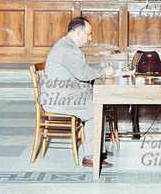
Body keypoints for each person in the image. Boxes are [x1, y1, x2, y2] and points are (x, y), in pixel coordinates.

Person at [43, 17, 115, 168]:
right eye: (88, 34)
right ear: (79, 32)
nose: (90, 38)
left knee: (97, 104)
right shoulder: (68, 49)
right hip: (59, 99)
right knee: (96, 109)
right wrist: (103, 71)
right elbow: (82, 73)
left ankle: (98, 147)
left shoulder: (66, 45)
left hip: (63, 94)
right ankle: (91, 157)